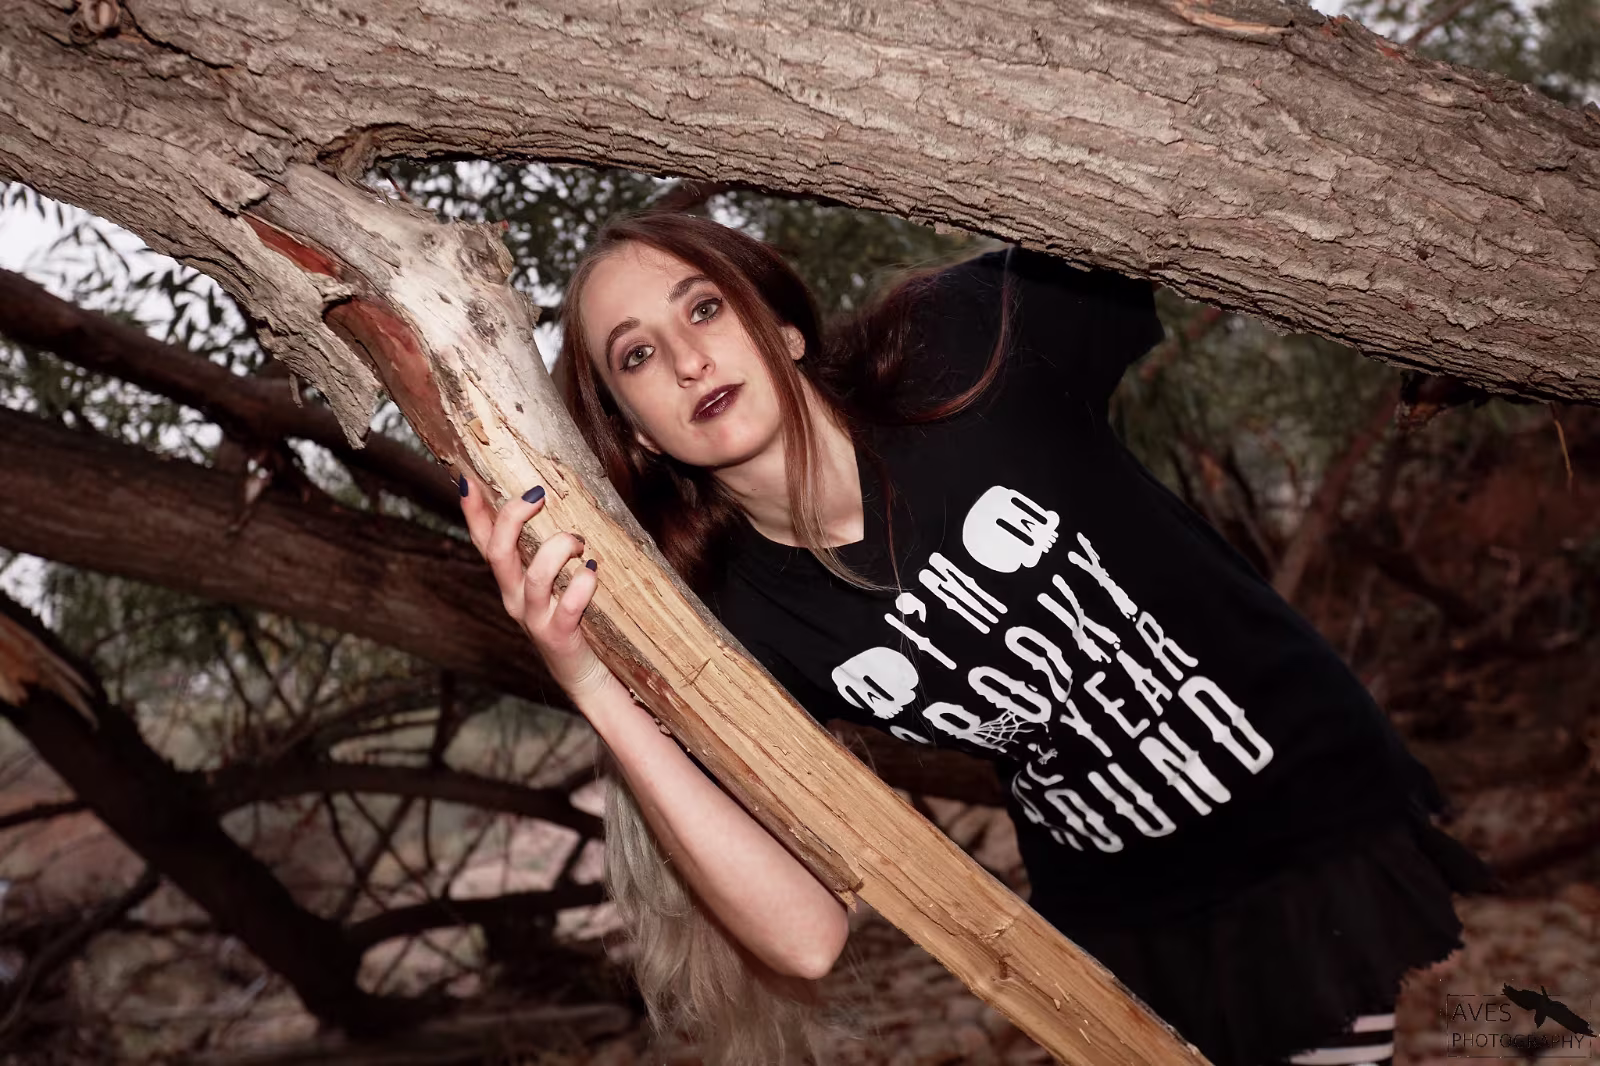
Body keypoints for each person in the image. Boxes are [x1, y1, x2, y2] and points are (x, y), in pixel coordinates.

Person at [457, 211, 1500, 1066]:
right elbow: (806, 939)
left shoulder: (961, 351)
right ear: (636, 431)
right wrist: (592, 685)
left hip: (1307, 824)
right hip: (1112, 920)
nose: (688, 359)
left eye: (706, 306)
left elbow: (1178, 212)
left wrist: (1451, 317)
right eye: (638, 354)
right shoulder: (738, 620)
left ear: (783, 328)